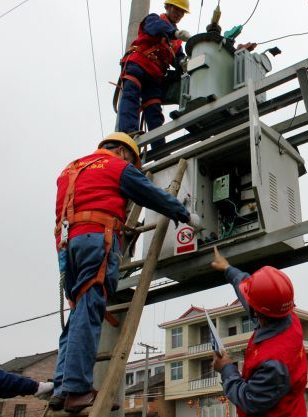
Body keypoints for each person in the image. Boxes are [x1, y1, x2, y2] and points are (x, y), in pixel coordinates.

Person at [51, 132, 196, 412]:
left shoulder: (71, 169)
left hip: (68, 245)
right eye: (132, 158)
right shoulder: (116, 166)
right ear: (121, 150)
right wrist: (184, 214)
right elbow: (150, 194)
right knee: (90, 308)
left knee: (79, 310)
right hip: (96, 239)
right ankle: (77, 388)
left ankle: (61, 387)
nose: (131, 162)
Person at [210, 247, 307, 417]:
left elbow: (249, 400)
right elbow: (253, 292)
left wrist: (226, 368)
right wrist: (227, 269)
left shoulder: (273, 363)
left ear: (257, 312)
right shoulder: (288, 318)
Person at [116, 0, 191, 149]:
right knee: (131, 95)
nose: (179, 14)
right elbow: (155, 28)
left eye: (182, 12)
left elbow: (178, 58)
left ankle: (159, 149)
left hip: (154, 76)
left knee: (154, 112)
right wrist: (174, 32)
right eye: (176, 10)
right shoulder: (155, 20)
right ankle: (129, 132)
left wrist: (183, 63)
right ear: (168, 7)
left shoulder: (176, 43)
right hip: (139, 64)